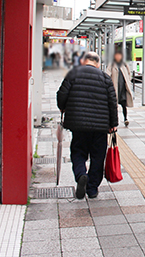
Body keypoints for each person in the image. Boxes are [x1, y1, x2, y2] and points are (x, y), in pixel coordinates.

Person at [57, 51, 118, 199]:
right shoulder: (105, 78)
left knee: (78, 152)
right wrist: (113, 124)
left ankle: (80, 175)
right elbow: (112, 102)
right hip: (100, 126)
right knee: (98, 156)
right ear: (97, 63)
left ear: (83, 61)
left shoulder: (73, 74)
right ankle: (92, 188)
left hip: (78, 124)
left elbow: (61, 95)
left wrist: (63, 107)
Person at [107, 51, 134, 127]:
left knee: (124, 104)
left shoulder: (124, 64)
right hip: (115, 88)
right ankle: (115, 120)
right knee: (114, 106)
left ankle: (125, 118)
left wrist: (128, 80)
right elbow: (107, 74)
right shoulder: (111, 64)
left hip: (123, 88)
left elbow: (129, 73)